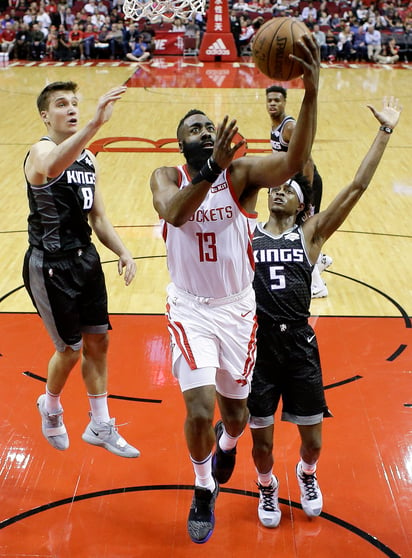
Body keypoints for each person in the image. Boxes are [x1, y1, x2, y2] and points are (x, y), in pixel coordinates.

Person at [149, 34, 320, 544]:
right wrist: (209, 169)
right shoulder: (166, 176)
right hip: (189, 308)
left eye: (208, 124)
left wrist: (311, 93)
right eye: (195, 129)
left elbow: (292, 165)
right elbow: (176, 214)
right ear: (184, 145)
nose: (205, 130)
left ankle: (226, 444)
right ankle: (203, 488)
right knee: (197, 408)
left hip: (239, 311)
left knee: (236, 416)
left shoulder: (242, 176)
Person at [248, 96, 402, 528]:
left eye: (290, 189)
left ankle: (307, 475)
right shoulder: (246, 233)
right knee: (260, 442)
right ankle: (266, 486)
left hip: (299, 344)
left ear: (302, 206)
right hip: (259, 346)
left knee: (312, 441)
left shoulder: (310, 236)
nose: (279, 189)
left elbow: (356, 187)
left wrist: (385, 131)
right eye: (275, 186)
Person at [22, 81, 140, 459]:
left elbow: (99, 216)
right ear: (45, 115)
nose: (71, 109)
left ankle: (99, 424)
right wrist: (94, 123)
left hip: (85, 259)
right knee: (70, 350)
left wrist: (123, 252)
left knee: (99, 342)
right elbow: (50, 165)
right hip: (50, 266)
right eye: (61, 104)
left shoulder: (88, 158)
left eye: (75, 102)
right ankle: (51, 404)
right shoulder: (39, 151)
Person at [265, 84, 332, 298]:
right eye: (270, 100)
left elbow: (308, 161)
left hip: (306, 186)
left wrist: (307, 196)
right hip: (293, 187)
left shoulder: (290, 127)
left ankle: (317, 286)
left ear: (285, 102)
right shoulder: (275, 126)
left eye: (277, 100)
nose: (273, 103)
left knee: (300, 234)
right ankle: (319, 260)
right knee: (295, 232)